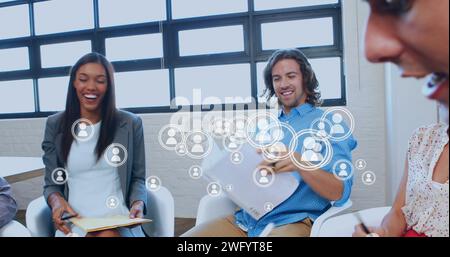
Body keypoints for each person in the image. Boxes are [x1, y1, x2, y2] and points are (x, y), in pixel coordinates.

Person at [182, 48, 357, 237]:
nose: (283, 84)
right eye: (277, 78)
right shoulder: (264, 126)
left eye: (291, 76)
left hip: (294, 222)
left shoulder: (330, 125)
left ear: (306, 78)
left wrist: (301, 164)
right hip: (246, 222)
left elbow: (341, 193)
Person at [353, 0, 449, 237]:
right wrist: (382, 233)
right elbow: (398, 211)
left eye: (398, 3)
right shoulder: (422, 139)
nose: (371, 50)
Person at [42, 53, 147, 237]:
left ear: (108, 86)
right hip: (76, 220)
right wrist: (56, 201)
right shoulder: (55, 124)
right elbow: (52, 184)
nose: (91, 87)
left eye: (100, 80)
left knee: (108, 234)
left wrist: (138, 203)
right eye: (83, 79)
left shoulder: (130, 124)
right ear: (74, 83)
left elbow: (138, 178)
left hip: (118, 219)